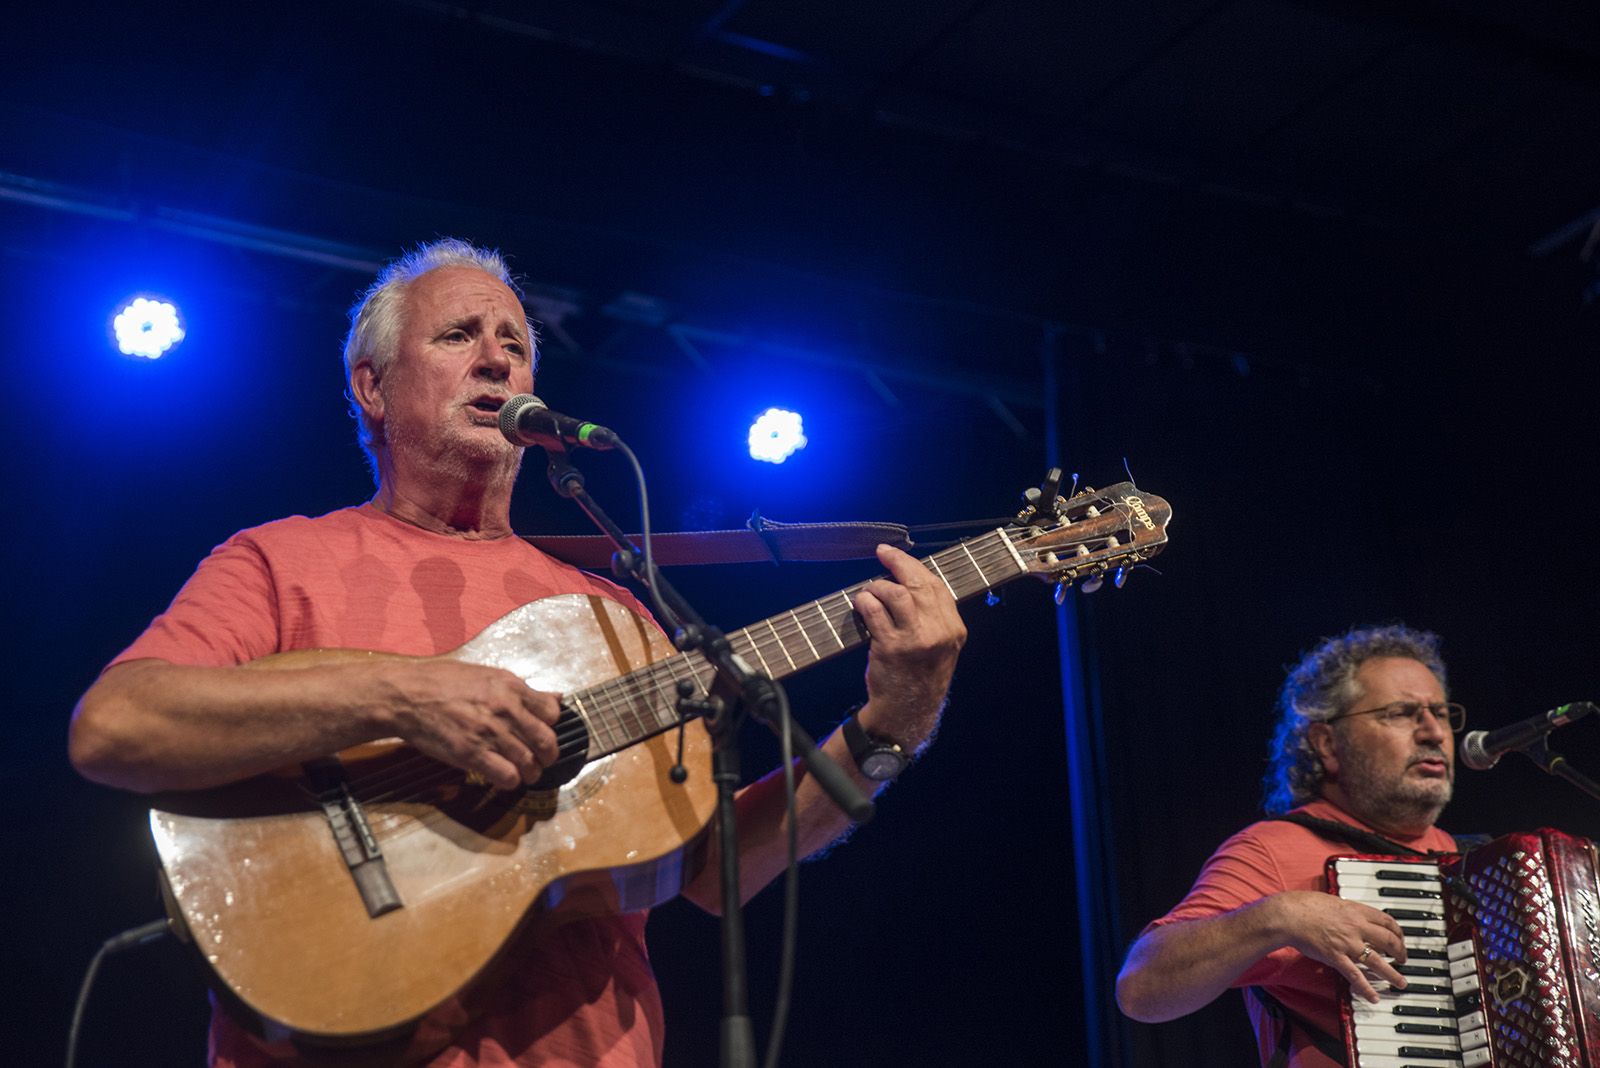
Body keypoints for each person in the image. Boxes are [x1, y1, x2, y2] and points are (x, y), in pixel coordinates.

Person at [68, 238, 967, 1067]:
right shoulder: (279, 559)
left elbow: (712, 876)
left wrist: (893, 723)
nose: (497, 357)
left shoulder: (616, 616)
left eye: (516, 344)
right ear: (372, 388)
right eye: (459, 335)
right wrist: (399, 697)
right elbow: (115, 727)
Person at [1115, 624, 1461, 1068]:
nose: (1433, 732)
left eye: (1440, 712)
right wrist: (1279, 917)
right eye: (1400, 713)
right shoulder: (1272, 850)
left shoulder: (1469, 862)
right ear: (1328, 744)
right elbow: (1141, 988)